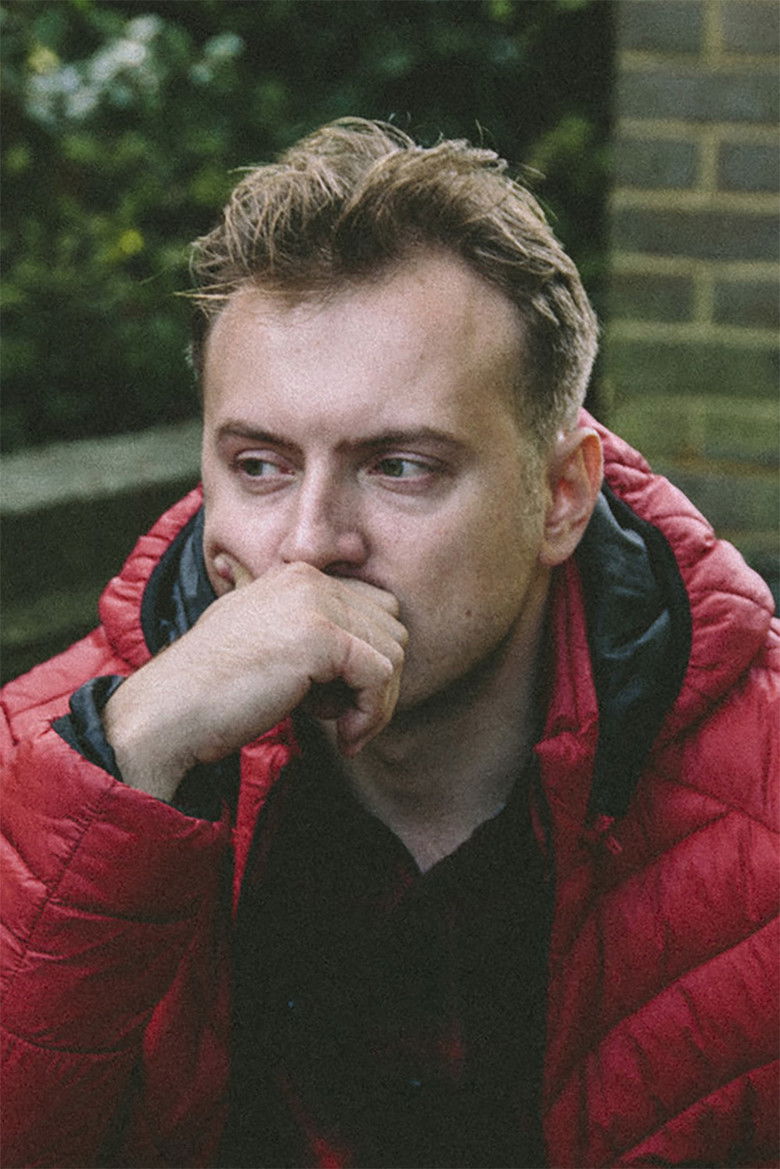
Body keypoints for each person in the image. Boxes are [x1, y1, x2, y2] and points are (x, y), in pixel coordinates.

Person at [1, 118, 777, 1169]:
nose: (309, 542)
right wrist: (125, 761)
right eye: (260, 465)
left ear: (561, 495)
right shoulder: (38, 763)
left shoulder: (758, 783)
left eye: (400, 466)